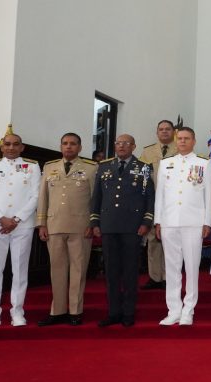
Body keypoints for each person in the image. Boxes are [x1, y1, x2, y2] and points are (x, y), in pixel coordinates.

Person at [90, 134, 154, 327]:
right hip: (109, 226)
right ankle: (113, 312)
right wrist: (95, 222)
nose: (121, 146)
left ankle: (128, 312)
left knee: (130, 272)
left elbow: (149, 197)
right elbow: (97, 197)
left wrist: (146, 221)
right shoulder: (104, 166)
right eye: (118, 143)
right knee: (111, 272)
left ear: (134, 146)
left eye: (126, 143)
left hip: (133, 227)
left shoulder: (143, 167)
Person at [0, 131, 41, 328]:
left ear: (22, 147)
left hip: (22, 226)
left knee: (20, 271)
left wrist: (16, 219)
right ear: (2, 146)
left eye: (16, 144)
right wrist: (1, 219)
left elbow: (36, 196)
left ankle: (17, 312)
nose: (11, 148)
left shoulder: (32, 166)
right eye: (7, 144)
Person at [36, 133, 98, 326]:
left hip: (81, 226)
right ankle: (58, 310)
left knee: (78, 270)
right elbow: (43, 197)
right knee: (57, 269)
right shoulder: (49, 167)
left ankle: (75, 310)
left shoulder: (91, 168)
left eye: (73, 144)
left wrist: (93, 223)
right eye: (65, 143)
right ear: (61, 146)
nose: (68, 147)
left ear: (80, 147)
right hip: (54, 225)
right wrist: (42, 223)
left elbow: (96, 200)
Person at [154, 127, 211, 326]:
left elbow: (209, 195)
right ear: (175, 140)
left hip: (193, 222)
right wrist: (158, 221)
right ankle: (173, 310)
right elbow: (160, 194)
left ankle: (189, 310)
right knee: (171, 269)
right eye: (179, 138)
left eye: (186, 138)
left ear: (194, 141)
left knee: (192, 267)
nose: (182, 141)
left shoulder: (204, 163)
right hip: (170, 221)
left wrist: (207, 221)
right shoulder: (166, 163)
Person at [139, 119, 177, 290]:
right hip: (153, 200)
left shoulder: (181, 148)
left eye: (167, 129)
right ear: (157, 132)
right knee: (153, 239)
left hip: (174, 201)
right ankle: (155, 277)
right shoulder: (148, 152)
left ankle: (169, 277)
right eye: (161, 129)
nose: (164, 132)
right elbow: (141, 177)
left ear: (173, 131)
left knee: (171, 240)